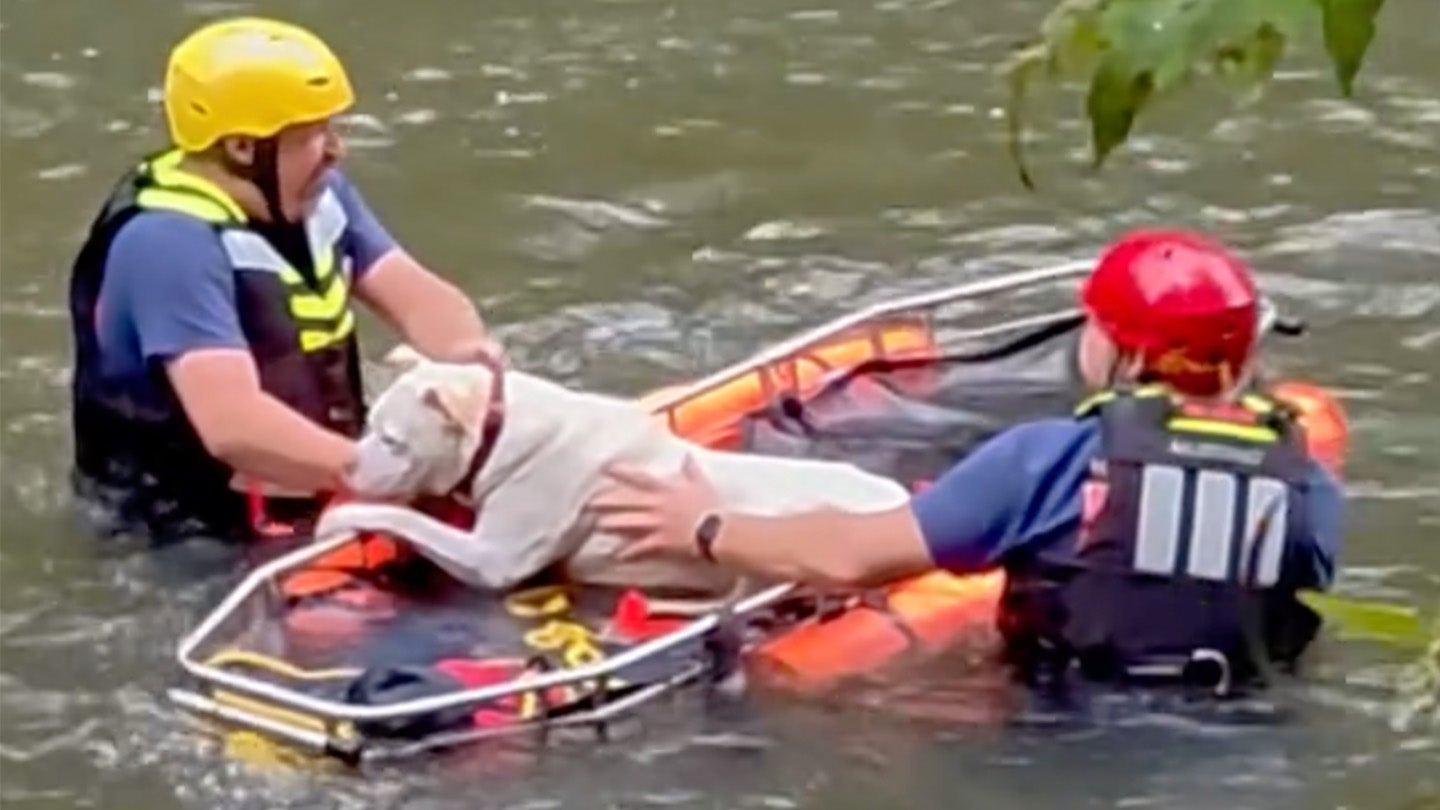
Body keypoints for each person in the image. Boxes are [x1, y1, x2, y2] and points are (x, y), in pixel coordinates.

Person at [586, 229, 1347, 694]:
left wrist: (707, 527)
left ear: (1119, 348)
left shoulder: (1048, 462)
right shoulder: (1309, 487)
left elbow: (852, 557)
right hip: (1240, 733)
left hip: (1064, 731)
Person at [67, 16, 501, 543]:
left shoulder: (321, 196)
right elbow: (233, 426)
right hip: (190, 530)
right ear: (244, 148)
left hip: (326, 478)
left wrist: (476, 377)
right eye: (314, 134)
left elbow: (418, 297)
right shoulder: (166, 243)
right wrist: (386, 476)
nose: (337, 149)